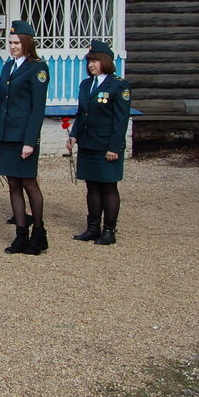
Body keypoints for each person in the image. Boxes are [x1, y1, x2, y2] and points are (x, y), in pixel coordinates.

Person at [0, 20, 49, 255]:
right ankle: (20, 234)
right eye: (10, 42)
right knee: (13, 184)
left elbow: (37, 108)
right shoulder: (7, 67)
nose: (12, 47)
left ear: (27, 43)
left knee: (29, 183)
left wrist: (30, 141)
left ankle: (38, 234)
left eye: (16, 43)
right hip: (7, 134)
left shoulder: (37, 68)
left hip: (24, 135)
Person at [66, 40, 131, 246]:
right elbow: (81, 113)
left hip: (106, 145)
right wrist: (74, 135)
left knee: (108, 187)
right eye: (89, 61)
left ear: (105, 61)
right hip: (87, 143)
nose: (91, 65)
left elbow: (120, 120)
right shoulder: (86, 84)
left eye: (95, 61)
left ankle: (109, 230)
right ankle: (93, 227)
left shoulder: (118, 85)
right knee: (92, 187)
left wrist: (114, 147)